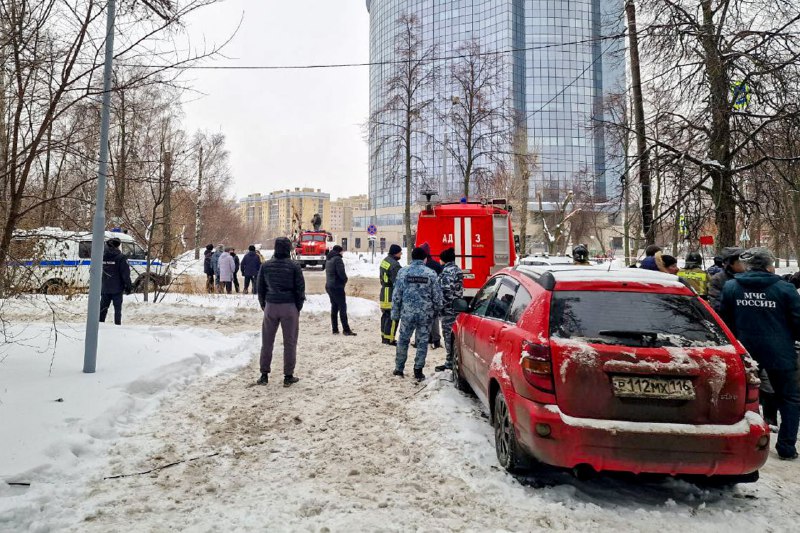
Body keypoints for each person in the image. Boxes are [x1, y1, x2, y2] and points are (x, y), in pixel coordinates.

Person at [719, 247, 800, 460]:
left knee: (737, 397)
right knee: (789, 399)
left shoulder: (731, 287)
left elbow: (724, 322)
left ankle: (735, 443)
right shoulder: (785, 289)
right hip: (780, 352)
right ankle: (786, 447)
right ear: (768, 265)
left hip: (744, 353)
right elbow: (797, 322)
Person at [256, 237, 305, 387]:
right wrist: (297, 307)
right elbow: (300, 289)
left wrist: (264, 304)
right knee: (290, 342)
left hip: (271, 305)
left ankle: (264, 375)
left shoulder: (266, 266)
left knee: (267, 342)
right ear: (289, 249)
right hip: (289, 306)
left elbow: (260, 288)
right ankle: (288, 376)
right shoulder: (294, 266)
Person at [392, 247, 444, 381]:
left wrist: (395, 313)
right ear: (425, 258)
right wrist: (437, 311)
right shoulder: (431, 274)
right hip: (425, 315)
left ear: (412, 257)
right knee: (422, 342)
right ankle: (418, 370)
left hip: (407, 314)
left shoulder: (403, 272)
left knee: (403, 340)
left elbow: (397, 295)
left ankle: (399, 369)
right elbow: (437, 297)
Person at [434, 247, 464, 372]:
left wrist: (440, 306)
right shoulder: (457, 270)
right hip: (456, 308)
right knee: (454, 336)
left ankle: (450, 362)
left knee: (448, 337)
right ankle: (452, 361)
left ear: (443, 260)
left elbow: (446, 291)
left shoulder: (447, 272)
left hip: (448, 310)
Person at [100, 237, 133, 325]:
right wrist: (129, 286)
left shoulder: (102, 256)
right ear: (118, 246)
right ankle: (117, 326)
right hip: (117, 289)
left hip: (105, 287)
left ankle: (100, 325)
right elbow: (125, 274)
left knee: (102, 309)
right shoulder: (121, 257)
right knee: (117, 310)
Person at [325, 245, 356, 336]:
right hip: (337, 287)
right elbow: (341, 273)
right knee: (342, 307)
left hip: (329, 286)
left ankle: (335, 329)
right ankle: (346, 330)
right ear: (339, 251)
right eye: (342, 251)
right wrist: (344, 281)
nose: (343, 253)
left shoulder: (329, 259)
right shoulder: (338, 259)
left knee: (334, 307)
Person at [420, 242, 442, 349]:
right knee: (434, 319)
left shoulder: (420, 266)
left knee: (422, 319)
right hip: (433, 296)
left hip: (422, 297)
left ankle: (424, 339)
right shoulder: (436, 265)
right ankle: (436, 340)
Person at [708, 247, 745, 312]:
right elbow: (717, 304)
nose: (745, 264)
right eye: (740, 261)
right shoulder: (718, 279)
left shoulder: (750, 277)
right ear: (730, 263)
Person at [379, 244, 403, 345]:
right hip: (391, 294)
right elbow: (397, 282)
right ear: (395, 253)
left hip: (384, 292)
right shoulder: (395, 265)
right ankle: (390, 339)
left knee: (385, 315)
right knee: (393, 317)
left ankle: (384, 337)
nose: (401, 254)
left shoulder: (385, 261)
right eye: (400, 252)